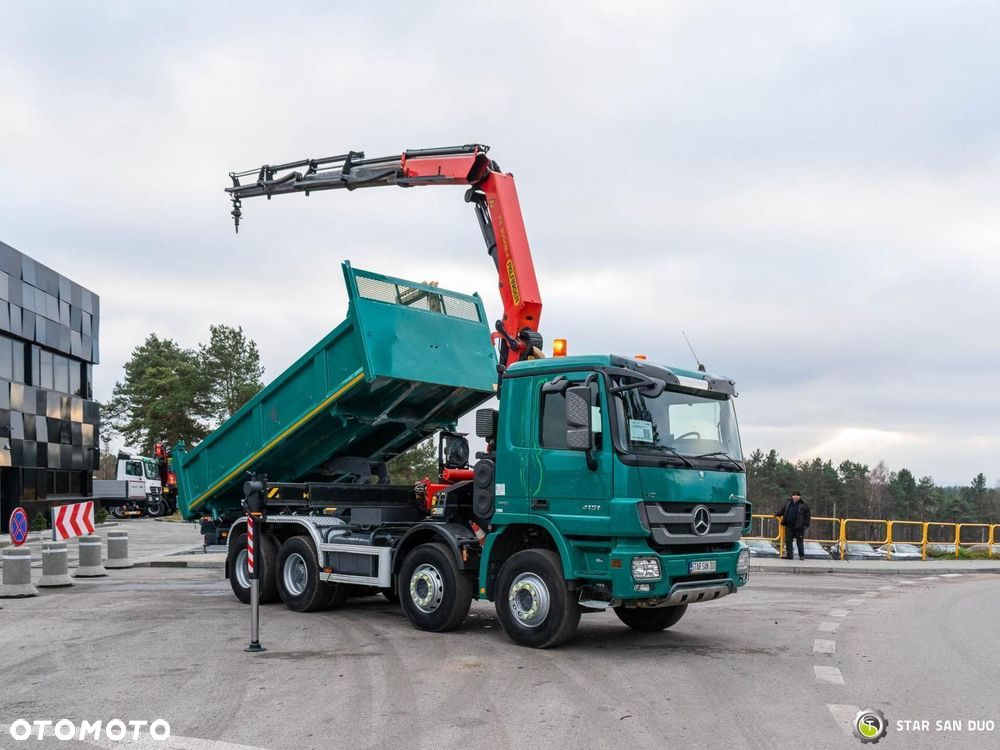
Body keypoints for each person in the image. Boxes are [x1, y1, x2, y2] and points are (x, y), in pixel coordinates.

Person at [775, 491, 811, 560]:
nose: (795, 497)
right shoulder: (788, 503)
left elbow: (807, 516)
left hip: (799, 527)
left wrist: (806, 525)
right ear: (792, 496)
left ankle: (801, 556)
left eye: (797, 495)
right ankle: (789, 555)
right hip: (789, 526)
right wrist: (777, 514)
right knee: (788, 541)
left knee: (799, 541)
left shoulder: (804, 504)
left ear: (799, 497)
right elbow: (783, 510)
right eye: (794, 495)